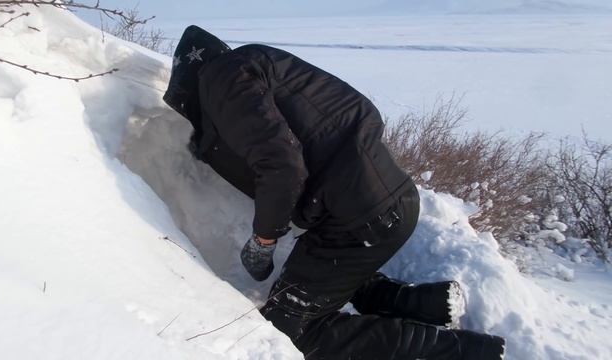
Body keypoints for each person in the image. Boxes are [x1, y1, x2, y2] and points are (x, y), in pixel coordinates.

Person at [164, 25, 506, 360]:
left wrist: (264, 239)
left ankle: (461, 351)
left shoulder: (221, 79)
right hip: (385, 202)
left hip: (359, 219)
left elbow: (282, 165)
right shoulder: (258, 64)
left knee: (289, 326)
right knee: (327, 278)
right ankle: (432, 303)